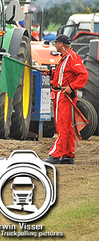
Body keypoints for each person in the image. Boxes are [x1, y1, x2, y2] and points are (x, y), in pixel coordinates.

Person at [41, 34, 88, 164]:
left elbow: (83, 74)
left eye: (55, 43)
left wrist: (72, 87)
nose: (54, 45)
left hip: (64, 96)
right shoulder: (65, 58)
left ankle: (56, 154)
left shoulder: (72, 58)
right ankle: (68, 154)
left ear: (61, 45)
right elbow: (64, 75)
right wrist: (51, 73)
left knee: (63, 125)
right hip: (60, 94)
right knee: (65, 126)